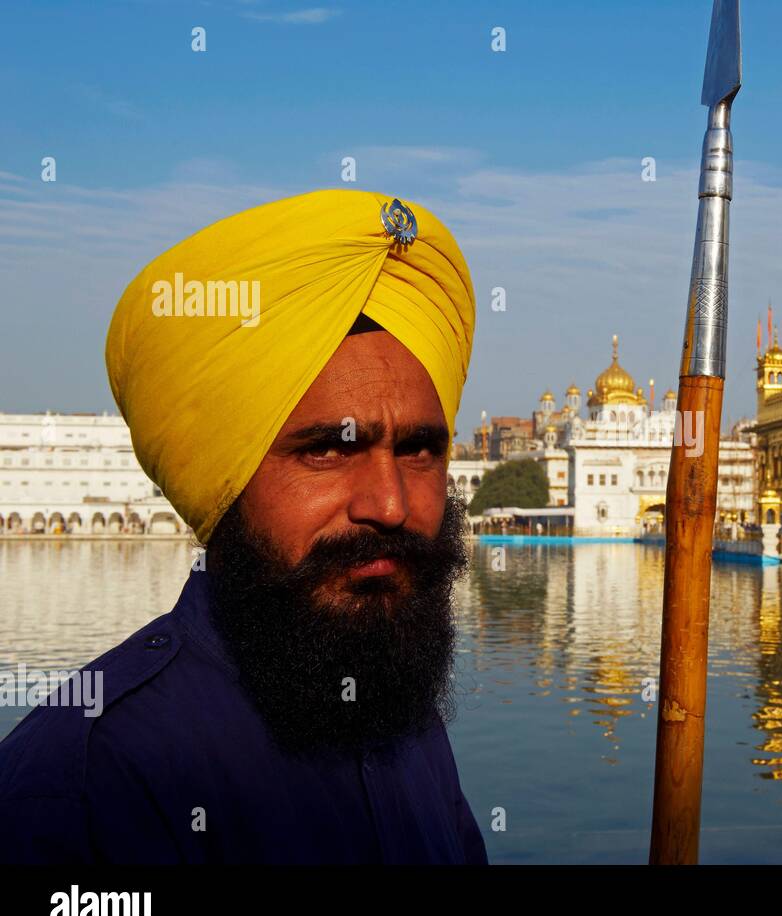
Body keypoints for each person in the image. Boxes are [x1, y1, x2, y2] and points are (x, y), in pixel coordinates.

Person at [0, 191, 487, 863]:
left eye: (418, 449)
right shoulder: (82, 794)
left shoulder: (404, 725)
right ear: (223, 478)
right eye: (328, 450)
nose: (391, 503)